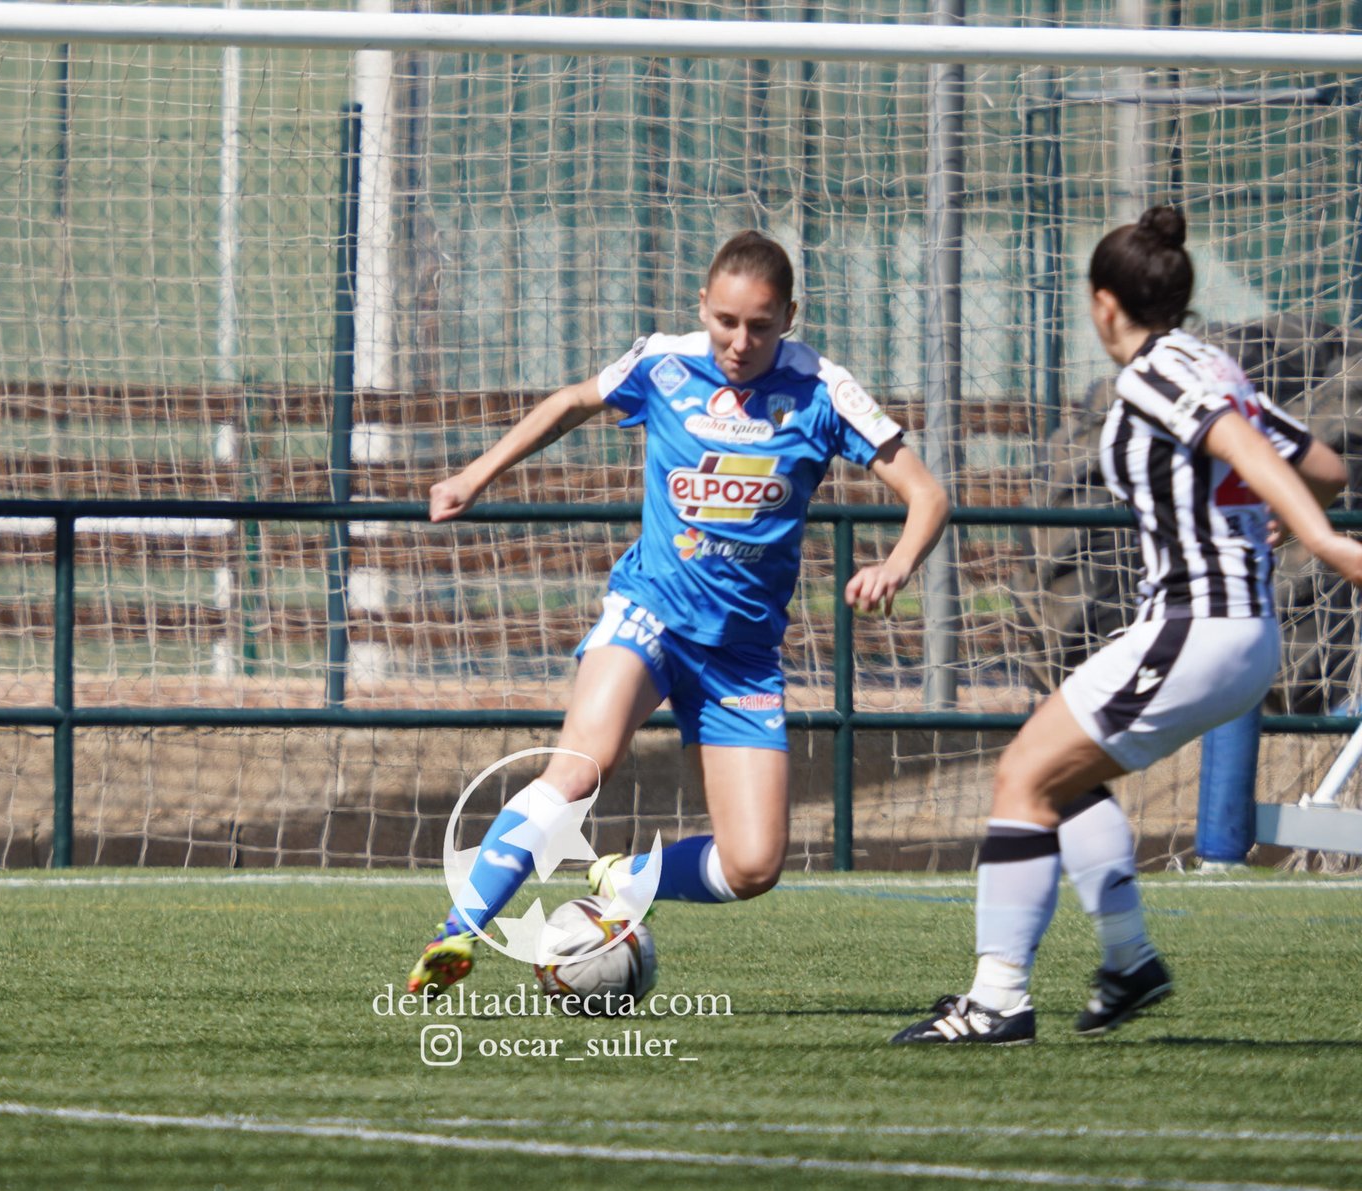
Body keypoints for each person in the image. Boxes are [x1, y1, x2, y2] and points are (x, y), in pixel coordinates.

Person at [406, 230, 951, 997]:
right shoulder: (664, 363)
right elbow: (569, 403)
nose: (739, 341)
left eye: (759, 325)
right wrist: (474, 475)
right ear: (703, 306)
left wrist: (896, 564)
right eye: (726, 321)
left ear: (790, 317)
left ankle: (626, 881)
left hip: (741, 655)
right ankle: (458, 931)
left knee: (753, 865)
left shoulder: (824, 391)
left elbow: (927, 495)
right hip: (650, 615)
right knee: (580, 766)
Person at [892, 206, 1361, 1045]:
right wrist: (1286, 519)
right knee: (1060, 775)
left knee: (1022, 777)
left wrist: (1320, 539)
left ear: (1104, 303)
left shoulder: (1152, 373)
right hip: (1228, 629)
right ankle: (1129, 960)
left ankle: (997, 1000)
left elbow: (1245, 449)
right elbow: (1321, 462)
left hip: (1199, 624)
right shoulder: (1213, 361)